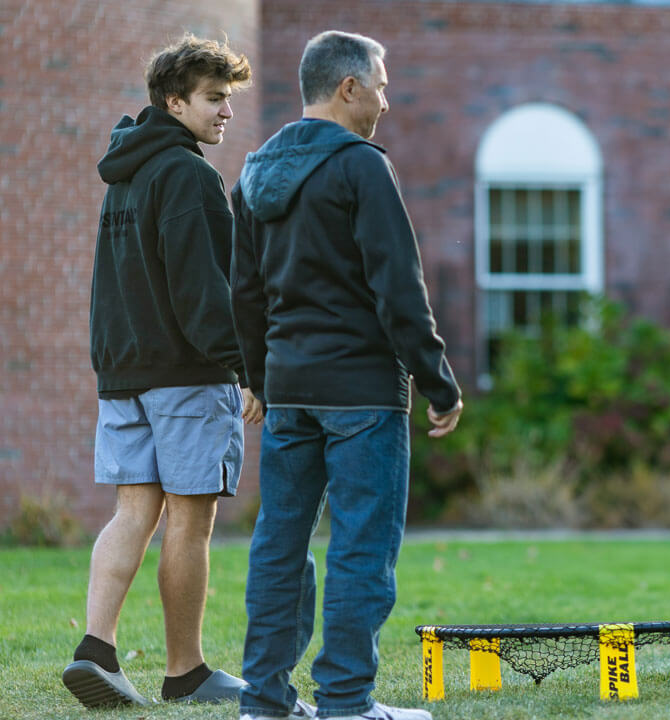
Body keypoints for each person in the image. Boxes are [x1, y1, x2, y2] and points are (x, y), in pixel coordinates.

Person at [231, 30, 463, 720]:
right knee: (362, 546)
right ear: (348, 88)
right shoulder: (361, 166)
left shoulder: (253, 172)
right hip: (363, 393)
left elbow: (242, 290)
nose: (387, 102)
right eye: (382, 86)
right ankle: (347, 703)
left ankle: (264, 701)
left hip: (291, 392)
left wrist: (257, 378)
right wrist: (439, 379)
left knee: (280, 543)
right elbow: (399, 286)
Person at [63, 35, 267, 709]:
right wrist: (247, 365)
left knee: (133, 511)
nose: (226, 112)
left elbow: (112, 286)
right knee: (190, 519)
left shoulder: (126, 173)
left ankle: (96, 647)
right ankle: (186, 673)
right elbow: (203, 292)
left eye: (229, 99)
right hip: (185, 374)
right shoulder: (187, 175)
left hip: (124, 376)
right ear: (174, 101)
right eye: (214, 99)